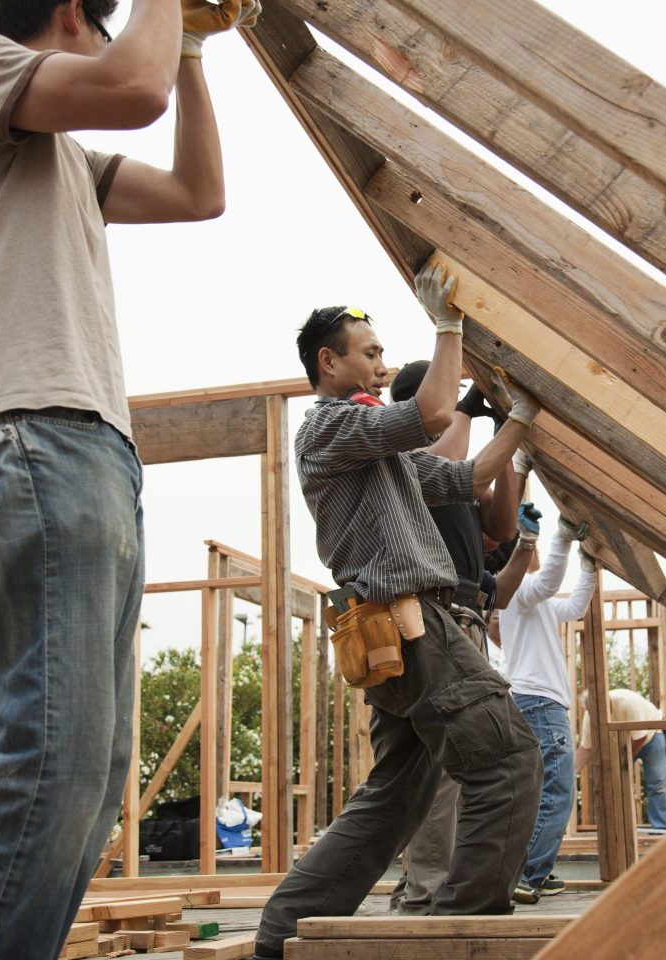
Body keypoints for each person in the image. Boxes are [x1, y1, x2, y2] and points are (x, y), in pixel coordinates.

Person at [0, 1, 250, 958]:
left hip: (88, 450)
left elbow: (198, 191)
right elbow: (132, 88)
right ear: (71, 15)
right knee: (44, 759)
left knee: (90, 776)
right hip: (28, 431)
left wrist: (197, 47)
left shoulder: (63, 163)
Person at [252, 266, 544, 960]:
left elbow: (468, 477)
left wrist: (522, 418)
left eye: (384, 355)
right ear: (330, 362)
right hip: (412, 628)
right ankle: (462, 934)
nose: (383, 369)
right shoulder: (329, 427)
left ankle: (280, 936)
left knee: (397, 799)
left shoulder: (376, 451)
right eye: (371, 354)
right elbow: (436, 412)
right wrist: (448, 325)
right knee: (507, 763)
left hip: (402, 633)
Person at [382, 365, 519, 916]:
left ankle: (424, 886)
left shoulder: (453, 471)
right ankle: (426, 891)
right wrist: (467, 407)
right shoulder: (402, 462)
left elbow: (501, 527)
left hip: (458, 617)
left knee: (430, 767)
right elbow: (439, 456)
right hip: (427, 616)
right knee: (447, 765)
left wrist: (504, 436)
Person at [494, 507, 598, 904]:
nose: (532, 555)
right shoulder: (520, 592)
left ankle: (535, 867)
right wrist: (563, 536)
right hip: (539, 702)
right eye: (525, 547)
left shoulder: (529, 601)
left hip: (538, 702)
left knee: (544, 791)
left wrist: (588, 567)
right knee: (556, 791)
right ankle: (526, 874)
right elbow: (550, 581)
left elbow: (573, 608)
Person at [574, 688, 666, 831]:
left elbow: (640, 737)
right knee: (614, 784)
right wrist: (570, 772)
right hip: (624, 743)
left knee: (657, 783)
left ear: (608, 703)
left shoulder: (627, 703)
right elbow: (586, 748)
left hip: (651, 735)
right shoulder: (590, 718)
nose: (598, 716)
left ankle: (660, 828)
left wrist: (621, 758)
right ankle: (619, 828)